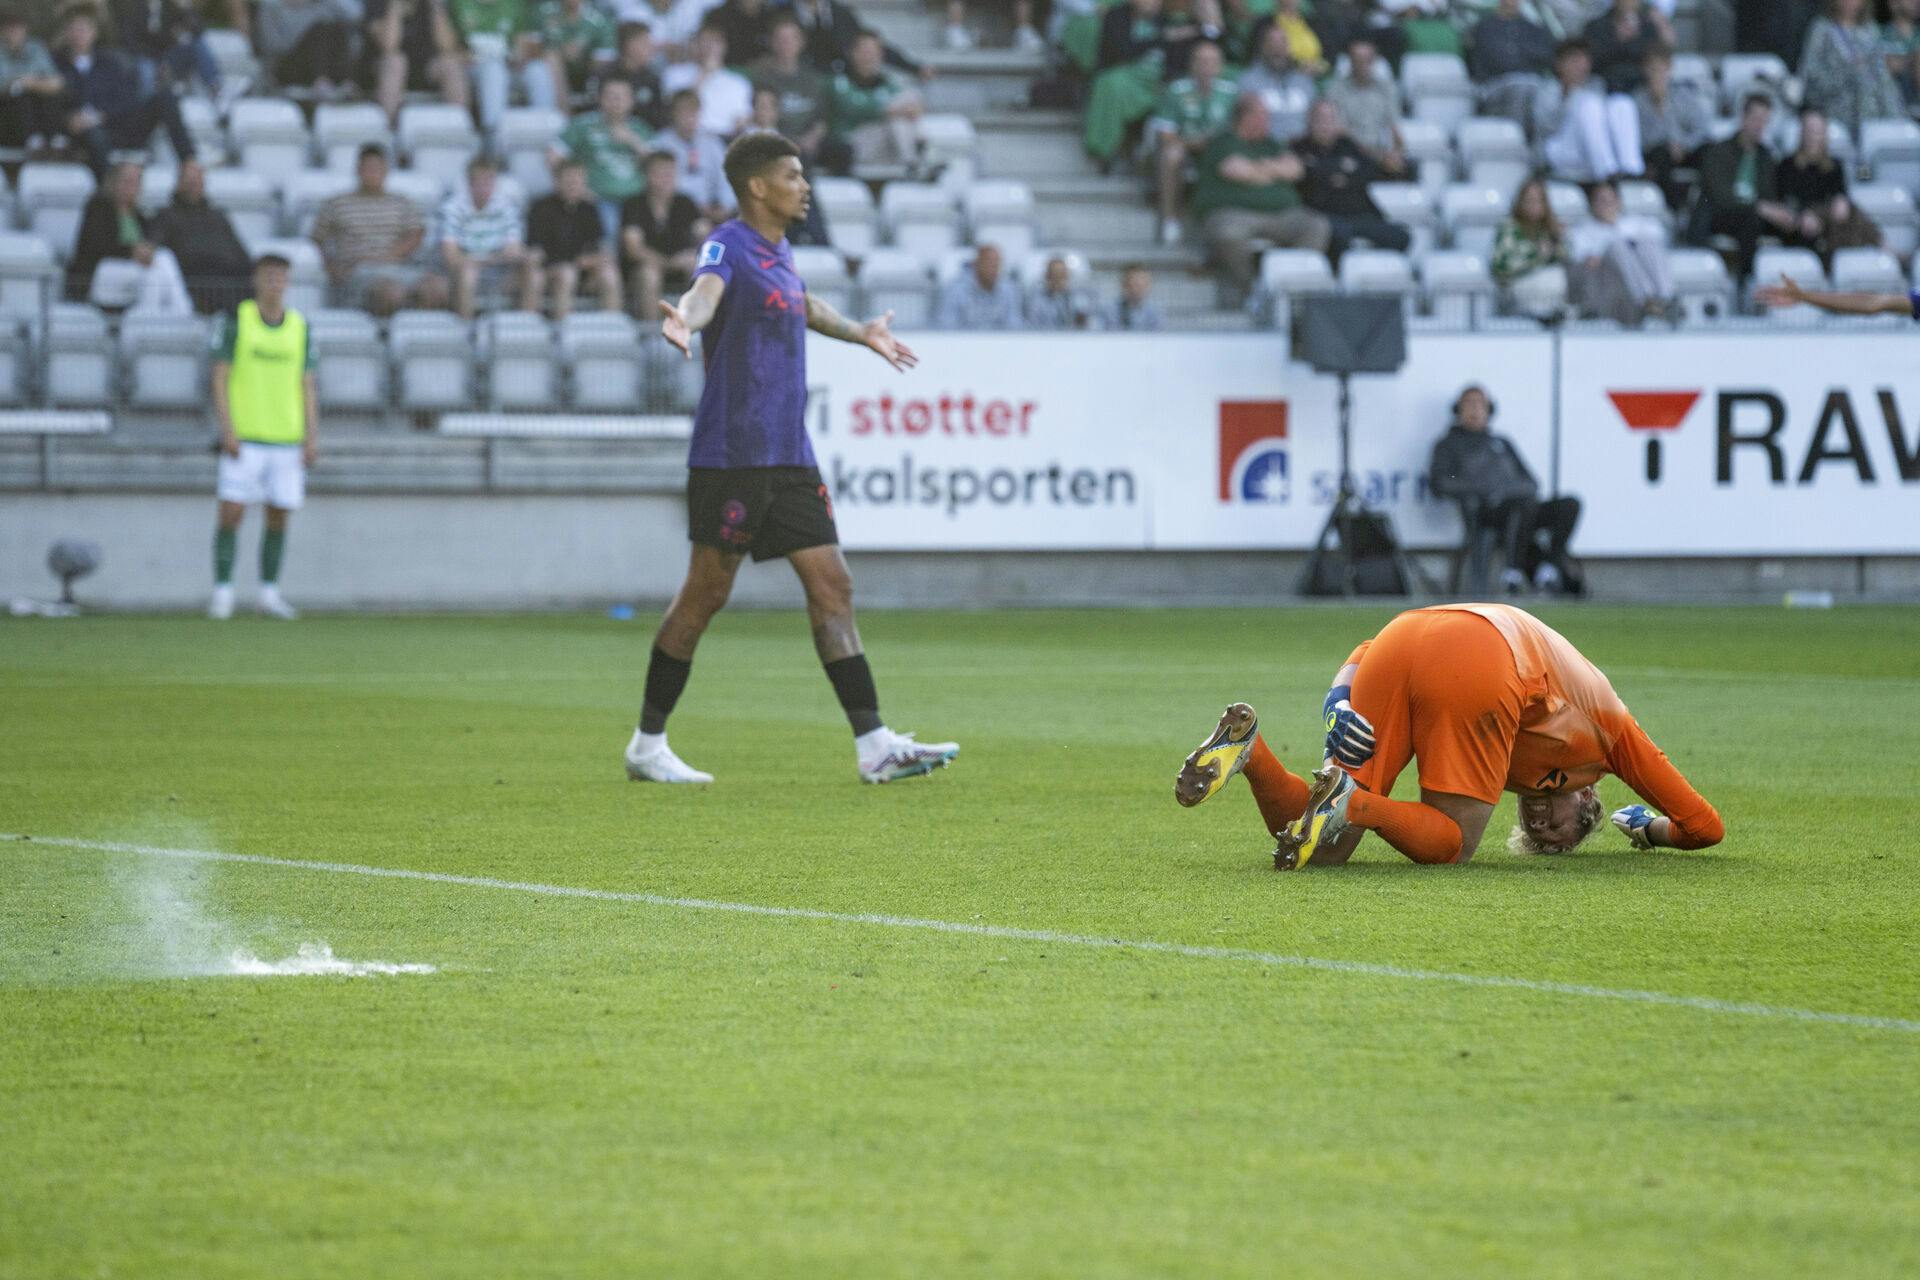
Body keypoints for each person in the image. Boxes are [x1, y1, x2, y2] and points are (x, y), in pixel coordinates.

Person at [639, 129, 958, 785]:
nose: (804, 184)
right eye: (792, 174)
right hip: (733, 456)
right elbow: (705, 291)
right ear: (759, 187)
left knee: (833, 585)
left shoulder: (780, 253)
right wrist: (686, 320)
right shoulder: (729, 243)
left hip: (790, 456)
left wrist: (860, 330)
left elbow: (801, 304)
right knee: (704, 595)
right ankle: (647, 744)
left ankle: (873, 744)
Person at [1172, 603, 1724, 870]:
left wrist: (1339, 696)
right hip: (1485, 657)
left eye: (1538, 839)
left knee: (1327, 852)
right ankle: (1353, 802)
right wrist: (1648, 828)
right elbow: (1705, 827)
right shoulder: (1614, 737)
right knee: (1452, 847)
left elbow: (1367, 649)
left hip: (1405, 632)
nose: (1538, 827)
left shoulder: (1531, 756)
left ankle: (1253, 753)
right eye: (1558, 829)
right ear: (1586, 796)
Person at [209, 254, 319, 623]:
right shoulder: (237, 322)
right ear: (256, 279)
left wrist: (311, 435)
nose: (275, 283)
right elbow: (220, 377)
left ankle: (268, 592)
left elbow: (307, 384)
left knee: (278, 516)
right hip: (246, 437)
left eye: (282, 277)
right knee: (232, 512)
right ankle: (223, 591)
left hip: (286, 437)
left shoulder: (300, 327)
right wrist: (227, 429)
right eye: (269, 276)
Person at [1429, 384, 1581, 595]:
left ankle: (1549, 567)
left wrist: (1508, 491)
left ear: (1489, 410)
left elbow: (1531, 482)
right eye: (1469, 404)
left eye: (1480, 404)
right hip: (1485, 513)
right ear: (1458, 410)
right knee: (1523, 506)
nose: (1475, 410)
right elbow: (1440, 483)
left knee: (1569, 505)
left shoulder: (1501, 442)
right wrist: (1487, 491)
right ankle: (1512, 573)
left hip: (1522, 509)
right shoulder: (1448, 445)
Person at [1193, 94, 1331, 303]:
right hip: (1234, 213)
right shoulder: (1223, 141)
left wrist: (1259, 170)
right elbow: (1236, 170)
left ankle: (1285, 289)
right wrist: (1274, 170)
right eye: (1263, 115)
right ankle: (1251, 290)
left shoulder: (1271, 143)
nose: (1268, 121)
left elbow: (1296, 169)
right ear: (1245, 117)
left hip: (1281, 214)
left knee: (1317, 226)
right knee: (1227, 233)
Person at [54, 4, 196, 176]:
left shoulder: (110, 63)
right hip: (85, 133)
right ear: (67, 33)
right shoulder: (57, 64)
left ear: (94, 33)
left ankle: (189, 161)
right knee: (94, 136)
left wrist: (100, 116)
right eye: (75, 30)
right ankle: (109, 190)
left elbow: (127, 99)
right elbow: (56, 102)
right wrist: (68, 120)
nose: (79, 35)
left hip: (117, 125)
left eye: (84, 29)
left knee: (165, 96)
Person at [313, 144, 449, 315]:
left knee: (438, 288)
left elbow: (416, 233)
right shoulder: (336, 204)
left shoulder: (402, 202)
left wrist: (390, 255)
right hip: (359, 271)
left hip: (399, 268)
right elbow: (316, 240)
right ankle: (383, 336)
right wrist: (332, 267)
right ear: (358, 170)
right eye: (368, 168)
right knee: (392, 293)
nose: (373, 173)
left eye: (377, 168)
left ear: (386, 171)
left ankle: (418, 336)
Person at [1295, 98, 1412, 267]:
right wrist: (1343, 170)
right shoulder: (1299, 147)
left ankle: (1376, 275)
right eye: (1320, 119)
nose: (1325, 125)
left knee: (1400, 237)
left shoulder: (1348, 145)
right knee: (1338, 235)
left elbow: (1369, 171)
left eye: (1330, 119)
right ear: (1310, 121)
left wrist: (1328, 171)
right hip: (1323, 215)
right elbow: (1308, 175)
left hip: (1359, 213)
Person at [68, 159, 195, 313]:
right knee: (156, 268)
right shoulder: (98, 207)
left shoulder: (139, 216)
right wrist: (131, 251)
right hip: (102, 270)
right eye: (127, 181)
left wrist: (145, 252)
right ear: (114, 182)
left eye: (136, 182)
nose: (132, 186)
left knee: (159, 265)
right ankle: (183, 315)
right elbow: (96, 245)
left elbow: (149, 243)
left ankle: (161, 319)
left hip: (130, 269)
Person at [1692, 92, 1794, 279]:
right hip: (1721, 215)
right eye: (1756, 118)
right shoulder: (1718, 152)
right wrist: (1759, 207)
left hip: (1754, 216)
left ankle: (1792, 281)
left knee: (1795, 225)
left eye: (1764, 120)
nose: (1760, 125)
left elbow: (1770, 195)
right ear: (1743, 118)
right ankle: (1746, 281)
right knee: (1751, 220)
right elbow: (1720, 196)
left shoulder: (1767, 157)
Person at [1149, 39, 1237, 247]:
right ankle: (1170, 219)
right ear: (1192, 64)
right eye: (1201, 61)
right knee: (1171, 155)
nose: (1206, 67)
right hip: (1187, 148)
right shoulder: (1176, 90)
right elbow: (1164, 133)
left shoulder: (1231, 92)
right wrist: (1192, 143)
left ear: (1220, 66)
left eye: (1212, 61)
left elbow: (1239, 130)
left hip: (1220, 149)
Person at [150, 159, 254, 313]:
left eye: (197, 180)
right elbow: (155, 248)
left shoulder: (218, 217)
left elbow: (241, 256)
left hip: (229, 284)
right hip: (193, 285)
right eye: (188, 180)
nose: (193, 185)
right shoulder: (166, 216)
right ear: (179, 183)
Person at [556, 76, 654, 238]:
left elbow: (658, 166)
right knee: (608, 231)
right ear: (600, 99)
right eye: (611, 96)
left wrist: (633, 142)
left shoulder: (641, 128)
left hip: (639, 200)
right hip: (599, 199)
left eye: (621, 96)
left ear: (631, 101)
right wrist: (576, 188)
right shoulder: (583, 125)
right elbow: (554, 157)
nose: (616, 101)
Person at [1533, 37, 1643, 182]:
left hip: (1589, 151)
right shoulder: (1548, 89)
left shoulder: (1596, 85)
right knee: (1589, 105)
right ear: (1560, 64)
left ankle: (1631, 168)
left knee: (1621, 103)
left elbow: (1602, 124)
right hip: (1560, 148)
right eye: (1574, 60)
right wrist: (1569, 96)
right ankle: (1606, 173)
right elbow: (1548, 127)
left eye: (1583, 60)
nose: (1580, 65)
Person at [1777, 105, 1881, 259]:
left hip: (1829, 220)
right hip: (1799, 223)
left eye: (1817, 131)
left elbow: (1840, 195)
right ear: (1802, 133)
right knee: (1848, 217)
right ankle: (1880, 245)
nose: (1813, 136)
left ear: (1824, 134)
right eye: (1809, 130)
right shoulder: (1787, 165)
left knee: (1848, 211)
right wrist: (1803, 215)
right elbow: (1785, 200)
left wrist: (1840, 202)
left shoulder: (1835, 166)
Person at [439, 156, 534, 318]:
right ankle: (466, 331)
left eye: (489, 181)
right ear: (469, 183)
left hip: (500, 274)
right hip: (462, 274)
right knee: (469, 274)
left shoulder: (507, 207)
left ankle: (525, 330)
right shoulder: (452, 208)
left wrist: (479, 259)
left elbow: (514, 251)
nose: (484, 187)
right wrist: (492, 259)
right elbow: (451, 258)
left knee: (533, 271)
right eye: (479, 182)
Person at [1568, 179, 1673, 325]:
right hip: (1607, 279)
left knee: (1647, 243)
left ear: (1618, 202)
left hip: (1635, 274)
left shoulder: (1632, 223)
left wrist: (1618, 230)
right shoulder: (1583, 230)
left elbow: (1658, 236)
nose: (1606, 205)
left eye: (1609, 200)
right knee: (1618, 247)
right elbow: (1579, 256)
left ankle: (1665, 297)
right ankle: (1645, 300)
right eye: (1601, 200)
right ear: (1592, 204)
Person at [526, 157, 622, 317]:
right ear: (557, 181)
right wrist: (577, 261)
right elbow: (537, 252)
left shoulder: (590, 209)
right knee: (566, 273)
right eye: (568, 180)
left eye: (578, 180)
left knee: (609, 274)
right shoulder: (540, 208)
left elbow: (598, 248)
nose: (573, 185)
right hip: (550, 270)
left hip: (584, 271)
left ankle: (612, 329)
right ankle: (563, 330)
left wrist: (595, 261)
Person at [619, 148, 705, 322]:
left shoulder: (685, 202)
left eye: (671, 173)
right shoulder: (633, 204)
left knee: (702, 269)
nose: (667, 179)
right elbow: (633, 249)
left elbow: (709, 237)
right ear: (647, 176)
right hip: (643, 268)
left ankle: (700, 332)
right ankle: (653, 339)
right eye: (661, 174)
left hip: (681, 265)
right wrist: (668, 263)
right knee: (650, 275)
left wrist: (695, 254)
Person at [1799, 0, 1902, 142]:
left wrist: (1897, 119)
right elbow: (1809, 76)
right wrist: (1848, 72)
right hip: (1834, 115)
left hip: (1871, 115)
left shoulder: (1871, 30)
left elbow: (1883, 79)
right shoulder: (1822, 29)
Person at [447, 0, 553, 135]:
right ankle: (494, 135)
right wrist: (462, 54)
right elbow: (446, 45)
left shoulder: (514, 4)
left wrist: (520, 54)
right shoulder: (458, 3)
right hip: (470, 67)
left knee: (537, 70)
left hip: (508, 65)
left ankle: (547, 130)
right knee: (494, 70)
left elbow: (524, 41)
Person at [1084, 0, 1166, 171]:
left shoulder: (1166, 19)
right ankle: (1104, 148)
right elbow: (1122, 50)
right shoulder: (1116, 17)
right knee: (1110, 84)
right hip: (1125, 74)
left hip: (1158, 77)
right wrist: (1159, 39)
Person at [824, 29, 922, 172]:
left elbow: (909, 105)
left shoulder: (887, 82)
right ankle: (913, 161)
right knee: (897, 119)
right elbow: (853, 108)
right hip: (850, 144)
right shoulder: (838, 81)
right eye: (864, 51)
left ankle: (911, 160)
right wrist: (890, 111)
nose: (868, 56)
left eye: (873, 51)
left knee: (909, 100)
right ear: (852, 53)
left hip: (884, 141)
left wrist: (904, 110)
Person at [752, 16, 835, 170]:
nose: (786, 44)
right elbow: (762, 117)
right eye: (781, 39)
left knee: (842, 150)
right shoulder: (761, 76)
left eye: (791, 39)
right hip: (777, 139)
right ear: (772, 42)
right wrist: (795, 141)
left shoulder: (812, 78)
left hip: (810, 139)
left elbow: (822, 119)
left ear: (801, 42)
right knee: (798, 155)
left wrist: (813, 137)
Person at [367, 0, 468, 124]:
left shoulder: (430, 4)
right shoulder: (377, 3)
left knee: (450, 64)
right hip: (384, 69)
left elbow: (447, 47)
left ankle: (456, 125)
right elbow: (389, 45)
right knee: (396, 62)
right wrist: (395, 6)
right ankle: (387, 129)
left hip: (425, 68)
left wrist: (436, 8)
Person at [1634, 43, 1710, 209]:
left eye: (1661, 68)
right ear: (1645, 70)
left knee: (1710, 152)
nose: (1657, 74)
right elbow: (1640, 139)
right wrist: (1659, 107)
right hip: (1657, 154)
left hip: (1685, 150)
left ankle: (1705, 205)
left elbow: (1701, 130)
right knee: (1661, 155)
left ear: (1669, 69)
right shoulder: (1638, 101)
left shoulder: (1684, 95)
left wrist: (1682, 146)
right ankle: (1673, 208)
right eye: (1652, 69)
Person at [107, 0, 226, 102]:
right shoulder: (134, 6)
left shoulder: (171, 5)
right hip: (144, 56)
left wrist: (186, 8)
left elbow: (198, 31)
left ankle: (214, 87)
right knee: (146, 69)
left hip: (169, 57)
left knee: (198, 44)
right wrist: (158, 62)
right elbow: (130, 40)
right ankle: (149, 109)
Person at [1468, 0, 1556, 126]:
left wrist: (1518, 52)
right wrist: (1521, 54)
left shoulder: (1530, 27)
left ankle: (1542, 141)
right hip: (1493, 84)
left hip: (1530, 81)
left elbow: (1545, 55)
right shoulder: (1485, 27)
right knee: (1520, 84)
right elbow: (1496, 60)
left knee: (1550, 91)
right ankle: (1516, 136)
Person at [1491, 178, 1569, 317]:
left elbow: (1567, 258)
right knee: (1552, 279)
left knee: (1558, 276)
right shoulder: (1509, 227)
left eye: (1539, 200)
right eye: (1529, 199)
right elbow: (1500, 267)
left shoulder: (1550, 228)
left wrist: (1558, 241)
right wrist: (1536, 255)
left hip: (1551, 289)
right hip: (1519, 286)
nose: (1534, 204)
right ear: (1520, 202)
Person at [1323, 35, 1403, 171]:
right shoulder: (1336, 90)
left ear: (1374, 61)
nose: (1363, 65)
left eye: (1368, 60)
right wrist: (1371, 154)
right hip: (1348, 153)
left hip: (1381, 153)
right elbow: (1339, 131)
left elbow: (1394, 127)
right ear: (1350, 61)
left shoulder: (1386, 89)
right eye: (1358, 60)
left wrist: (1396, 152)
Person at [655, 86, 733, 220]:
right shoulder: (661, 144)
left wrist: (725, 205)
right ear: (673, 114)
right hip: (676, 209)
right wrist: (695, 206)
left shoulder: (712, 142)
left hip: (712, 207)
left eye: (693, 112)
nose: (689, 118)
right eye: (683, 113)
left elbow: (725, 177)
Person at [663, 21, 752, 138]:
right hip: (689, 136)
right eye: (705, 41)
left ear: (724, 46)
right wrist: (705, 74)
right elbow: (679, 108)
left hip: (726, 138)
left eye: (715, 41)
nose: (710, 46)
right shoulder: (675, 74)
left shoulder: (738, 82)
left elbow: (742, 119)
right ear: (696, 45)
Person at [254, 0, 365, 92]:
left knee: (338, 26)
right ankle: (320, 81)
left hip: (325, 66)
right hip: (286, 66)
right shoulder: (272, 6)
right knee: (319, 30)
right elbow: (272, 46)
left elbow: (356, 14)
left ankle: (345, 82)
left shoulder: (325, 5)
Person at [0, 9, 68, 157]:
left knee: (49, 96)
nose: (14, 32)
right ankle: (32, 140)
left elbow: (57, 82)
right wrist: (21, 83)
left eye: (18, 27)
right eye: (9, 27)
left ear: (25, 29)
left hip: (39, 106)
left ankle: (54, 138)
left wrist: (29, 83)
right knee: (21, 97)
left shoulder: (36, 48)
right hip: (8, 112)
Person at [1233, 22, 1315, 144]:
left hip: (1304, 147)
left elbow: (1315, 119)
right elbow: (1242, 123)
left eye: (1282, 43)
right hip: (1263, 147)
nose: (1278, 49)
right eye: (1272, 43)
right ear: (1262, 47)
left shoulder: (1304, 81)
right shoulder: (1248, 81)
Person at [1582, 0, 1673, 94]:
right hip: (1603, 86)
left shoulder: (1649, 27)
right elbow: (1592, 60)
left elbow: (1654, 59)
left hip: (1640, 89)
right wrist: (1619, 40)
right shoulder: (1596, 27)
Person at [539, 0, 617, 101]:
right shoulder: (545, 11)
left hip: (589, 69)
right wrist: (562, 51)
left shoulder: (601, 16)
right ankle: (563, 110)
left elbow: (607, 56)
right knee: (549, 58)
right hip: (555, 69)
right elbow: (533, 46)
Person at [936, 242, 1023, 329]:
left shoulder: (1009, 290)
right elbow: (947, 327)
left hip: (1000, 342)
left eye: (997, 264)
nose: (994, 269)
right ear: (976, 264)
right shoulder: (955, 290)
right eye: (989, 263)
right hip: (963, 341)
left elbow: (1014, 327)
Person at [596, 20, 666, 128]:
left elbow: (658, 118)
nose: (651, 48)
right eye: (645, 43)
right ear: (629, 45)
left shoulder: (653, 79)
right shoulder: (605, 74)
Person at [1024, 255, 1093, 329]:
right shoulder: (1036, 300)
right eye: (1055, 275)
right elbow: (1032, 325)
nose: (1058, 279)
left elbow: (1091, 323)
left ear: (1068, 276)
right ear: (1047, 276)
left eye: (1062, 275)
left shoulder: (1079, 299)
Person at [1101, 261, 1164, 330]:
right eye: (1135, 284)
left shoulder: (1156, 312)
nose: (1139, 288)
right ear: (1124, 284)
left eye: (1143, 283)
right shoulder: (1110, 311)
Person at [1882, 0, 1920, 105]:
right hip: (1894, 112)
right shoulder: (1878, 34)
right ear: (1893, 2)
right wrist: (1913, 61)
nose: (1916, 2)